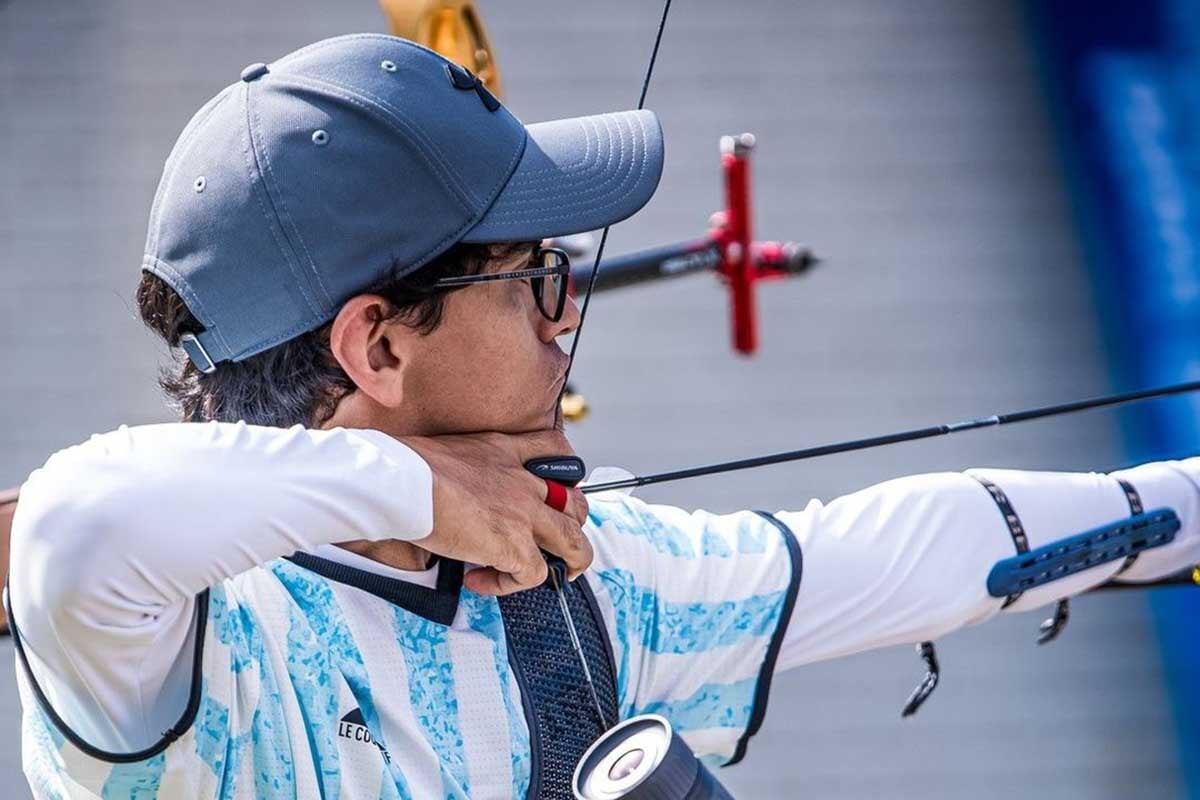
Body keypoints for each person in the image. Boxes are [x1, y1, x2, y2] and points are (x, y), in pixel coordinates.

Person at [8, 33, 1200, 800]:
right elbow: (77, 517)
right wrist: (425, 491)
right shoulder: (185, 640)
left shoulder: (585, 576)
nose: (562, 315)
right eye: (532, 274)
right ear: (376, 344)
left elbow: (911, 545)